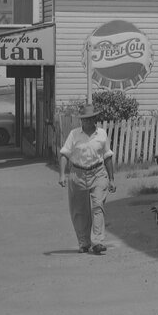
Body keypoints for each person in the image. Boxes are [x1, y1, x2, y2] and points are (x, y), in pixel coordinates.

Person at [58, 102, 116, 254]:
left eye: (91, 118)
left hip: (98, 172)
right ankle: (84, 242)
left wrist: (111, 179)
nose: (89, 121)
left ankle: (97, 242)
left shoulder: (102, 134)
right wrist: (62, 174)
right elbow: (64, 154)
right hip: (77, 174)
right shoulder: (74, 134)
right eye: (85, 119)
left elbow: (107, 156)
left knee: (98, 206)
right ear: (81, 120)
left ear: (95, 119)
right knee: (80, 210)